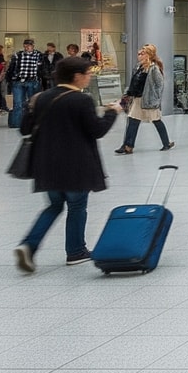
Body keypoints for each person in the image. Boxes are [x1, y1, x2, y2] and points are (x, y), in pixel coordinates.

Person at [12, 56, 120, 273]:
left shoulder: (41, 98)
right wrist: (111, 113)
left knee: (53, 206)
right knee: (77, 206)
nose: (89, 78)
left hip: (46, 165)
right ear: (77, 76)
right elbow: (97, 130)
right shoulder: (81, 100)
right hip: (75, 165)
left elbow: (24, 129)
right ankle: (76, 251)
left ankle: (29, 245)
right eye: (88, 74)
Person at [115, 44, 173, 155]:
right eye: (139, 54)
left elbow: (159, 85)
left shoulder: (153, 68)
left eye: (142, 53)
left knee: (156, 120)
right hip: (137, 99)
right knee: (132, 120)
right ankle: (127, 146)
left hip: (148, 100)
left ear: (149, 54)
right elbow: (133, 83)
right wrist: (127, 94)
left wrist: (155, 99)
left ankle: (166, 143)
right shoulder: (138, 67)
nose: (139, 56)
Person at [7, 39, 43, 119]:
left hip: (32, 81)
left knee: (32, 103)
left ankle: (30, 121)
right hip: (18, 81)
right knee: (18, 103)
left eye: (29, 45)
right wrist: (10, 80)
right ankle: (17, 122)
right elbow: (11, 68)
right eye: (25, 46)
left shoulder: (39, 55)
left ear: (33, 46)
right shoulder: (18, 55)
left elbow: (41, 68)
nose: (27, 47)